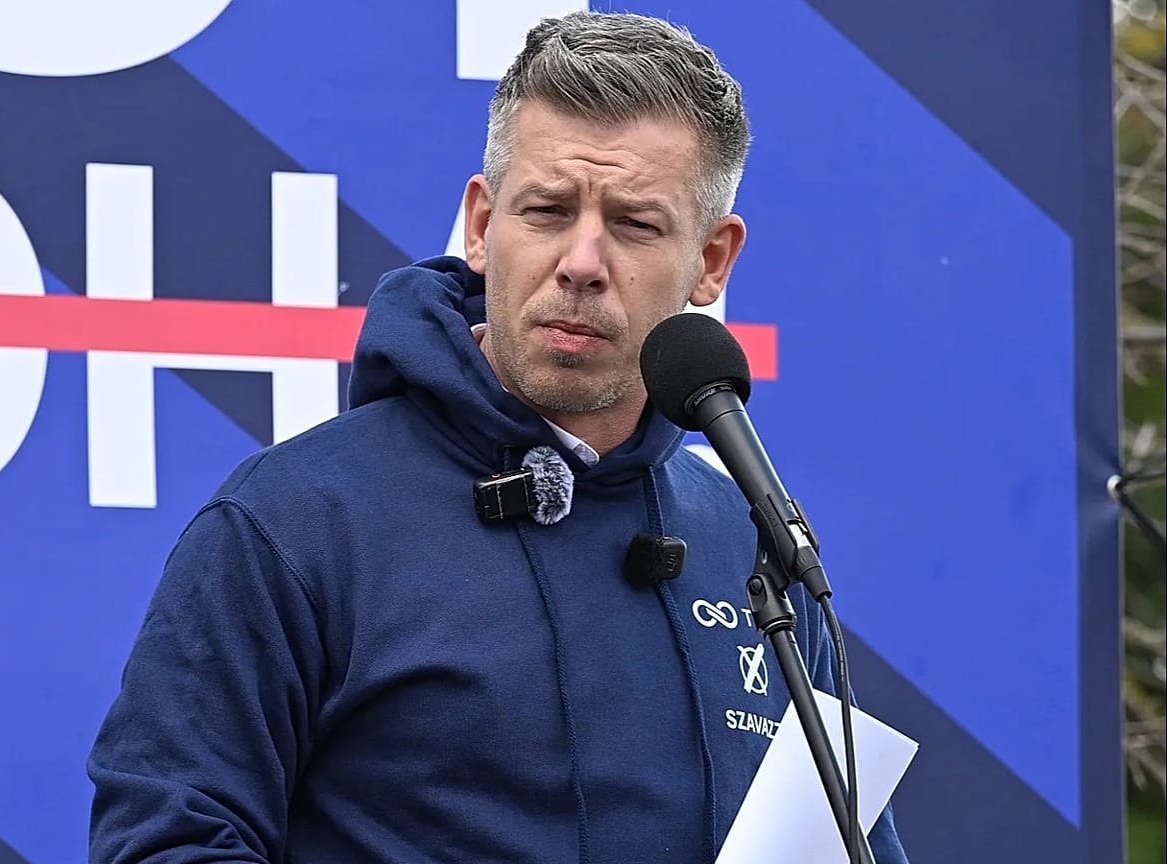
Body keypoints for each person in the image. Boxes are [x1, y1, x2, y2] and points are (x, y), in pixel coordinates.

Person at [87, 10, 909, 864]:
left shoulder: (751, 539)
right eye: (547, 210)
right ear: (481, 226)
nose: (582, 262)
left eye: (635, 224)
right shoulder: (294, 524)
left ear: (712, 262)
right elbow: (167, 843)